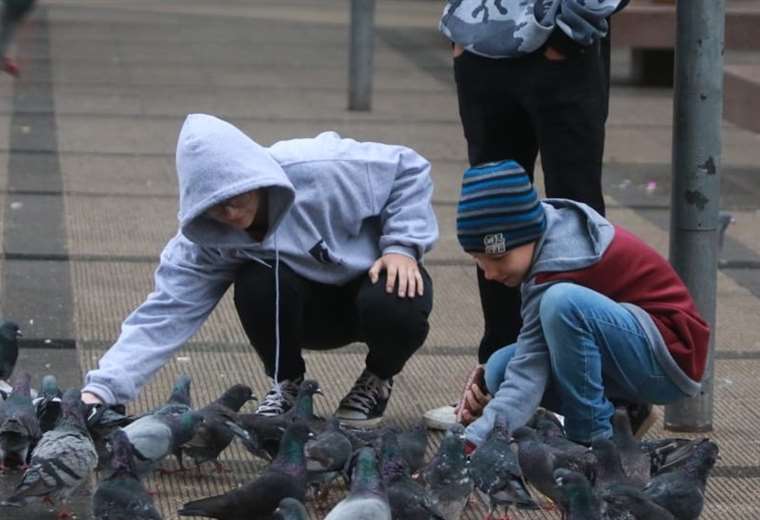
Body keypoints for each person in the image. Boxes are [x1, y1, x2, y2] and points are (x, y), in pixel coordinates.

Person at [80, 114, 438, 428]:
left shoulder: (319, 166)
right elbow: (165, 312)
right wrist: (102, 390)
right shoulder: (205, 239)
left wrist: (402, 246)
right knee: (256, 279)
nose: (231, 216)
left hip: (372, 289)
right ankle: (287, 383)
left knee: (398, 294)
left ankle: (377, 377)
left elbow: (409, 168)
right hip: (304, 313)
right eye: (216, 209)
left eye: (236, 199)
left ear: (254, 180)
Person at [425, 0, 630, 429]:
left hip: (562, 50)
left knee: (575, 214)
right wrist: (462, 28)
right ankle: (497, 382)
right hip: (481, 49)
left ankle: (576, 394)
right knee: (492, 214)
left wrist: (568, 33)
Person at [454, 160, 708, 446]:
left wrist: (473, 441)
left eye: (498, 259)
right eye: (479, 261)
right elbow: (526, 361)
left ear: (528, 235)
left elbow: (529, 371)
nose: (490, 274)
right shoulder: (544, 235)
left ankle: (591, 440)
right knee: (500, 367)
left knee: (562, 303)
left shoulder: (556, 265)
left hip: (670, 358)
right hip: (634, 349)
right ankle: (621, 416)